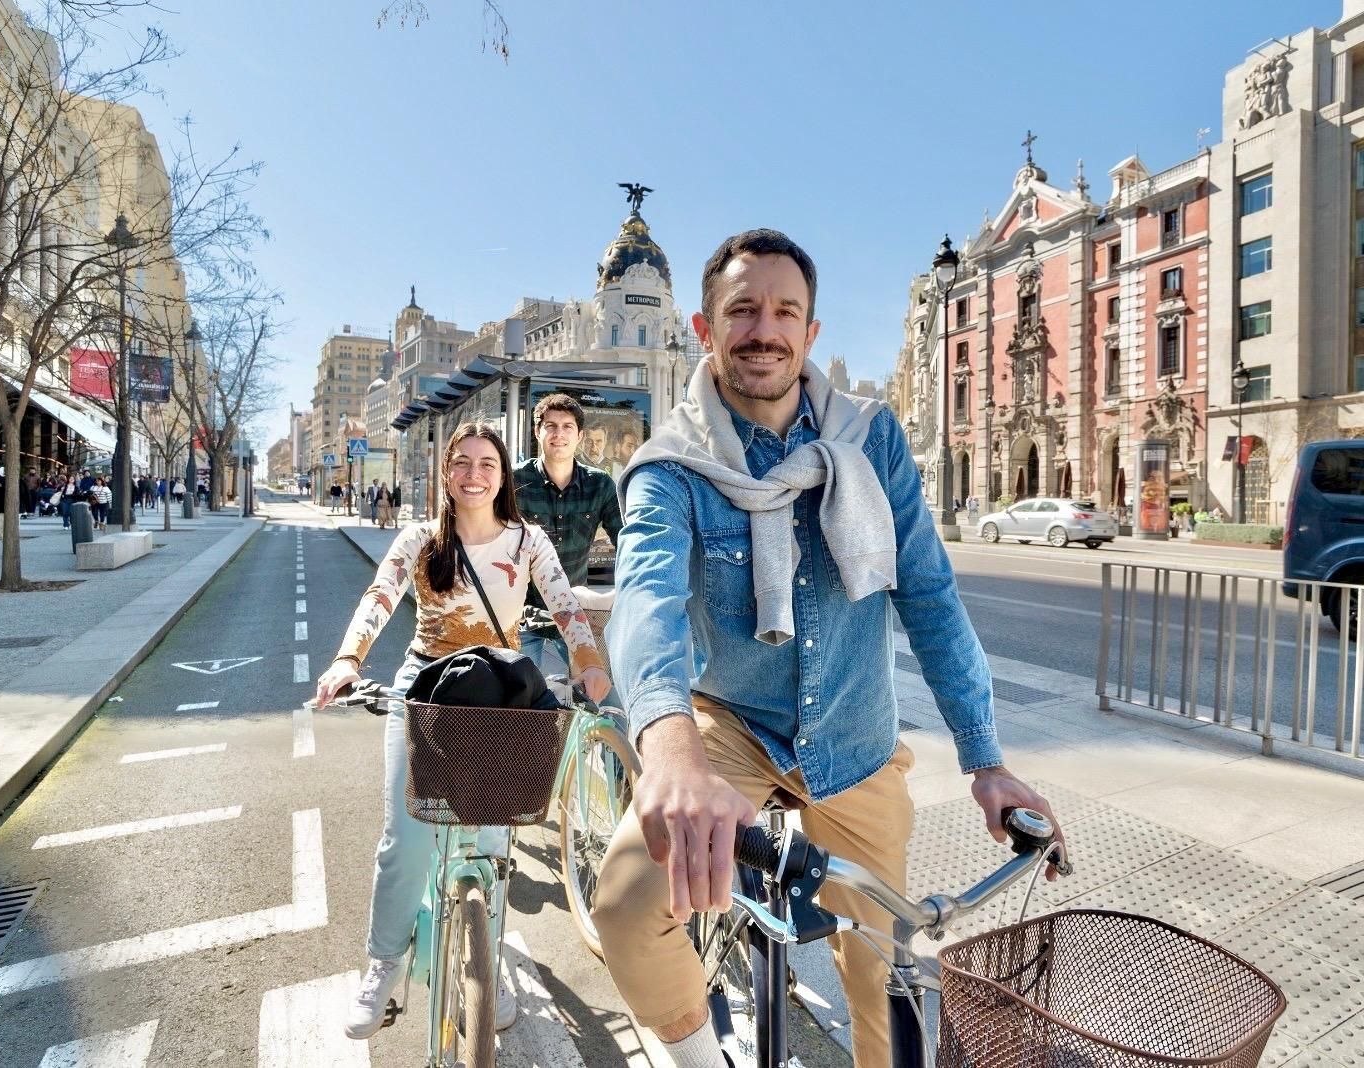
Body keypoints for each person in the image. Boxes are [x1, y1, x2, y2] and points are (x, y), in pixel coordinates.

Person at [594, 229, 1063, 1067]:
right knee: (629, 903)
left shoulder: (872, 440)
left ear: (810, 334)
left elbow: (928, 594)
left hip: (854, 740)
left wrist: (986, 758)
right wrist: (666, 751)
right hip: (728, 728)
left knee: (890, 983)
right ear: (706, 330)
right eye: (742, 310)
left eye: (784, 311)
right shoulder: (671, 466)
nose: (763, 329)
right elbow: (647, 602)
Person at [312, 422, 613, 1042]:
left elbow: (564, 605)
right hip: (424, 688)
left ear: (503, 477)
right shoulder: (421, 540)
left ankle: (486, 958)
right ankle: (385, 962)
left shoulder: (527, 542)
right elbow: (380, 595)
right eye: (462, 463)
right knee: (407, 836)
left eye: (487, 464)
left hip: (498, 694)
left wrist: (588, 661)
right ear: (446, 473)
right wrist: (349, 658)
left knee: (493, 849)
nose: (474, 474)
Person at [513, 393, 625, 679]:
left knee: (598, 695)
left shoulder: (599, 485)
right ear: (537, 432)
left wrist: (626, 593)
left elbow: (626, 540)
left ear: (579, 435)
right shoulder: (513, 482)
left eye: (567, 427)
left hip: (575, 611)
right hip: (519, 614)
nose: (558, 434)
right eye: (550, 426)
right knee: (520, 701)